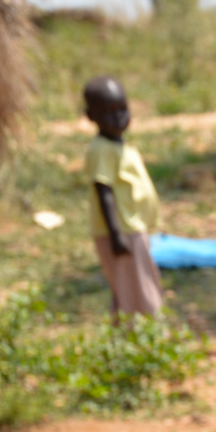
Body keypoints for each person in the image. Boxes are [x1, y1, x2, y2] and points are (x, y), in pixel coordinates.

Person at [83, 76, 164, 316]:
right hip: (122, 231)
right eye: (107, 112)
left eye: (122, 109)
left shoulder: (120, 146)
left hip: (133, 228)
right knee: (138, 290)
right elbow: (103, 192)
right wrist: (116, 233)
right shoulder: (100, 150)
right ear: (91, 116)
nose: (117, 117)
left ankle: (130, 339)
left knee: (132, 286)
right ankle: (146, 338)